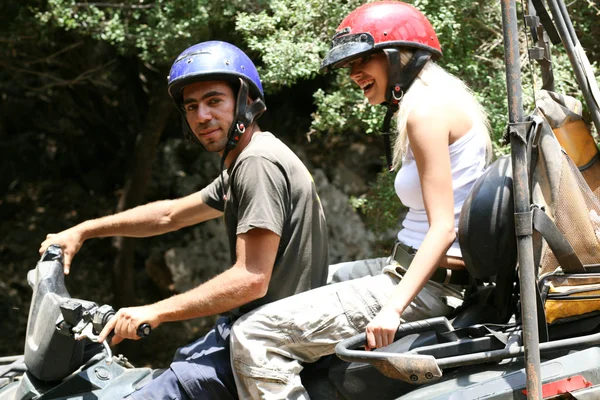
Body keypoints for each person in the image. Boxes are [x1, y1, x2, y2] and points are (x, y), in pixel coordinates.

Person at [228, 2, 493, 399]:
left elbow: (443, 228)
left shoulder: (427, 113)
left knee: (253, 336)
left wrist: (392, 309)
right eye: (349, 64)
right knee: (305, 282)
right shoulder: (436, 104)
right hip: (413, 270)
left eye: (363, 60)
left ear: (399, 57)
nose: (354, 74)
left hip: (428, 286)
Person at [38, 40, 329, 400]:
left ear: (246, 102)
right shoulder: (247, 160)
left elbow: (251, 279)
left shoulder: (257, 164)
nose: (201, 116)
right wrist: (83, 230)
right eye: (191, 106)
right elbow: (169, 214)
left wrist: (155, 311)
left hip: (270, 339)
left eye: (214, 101)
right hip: (249, 327)